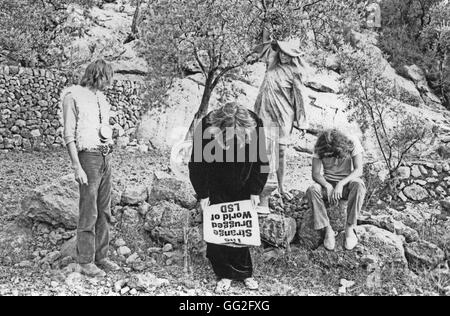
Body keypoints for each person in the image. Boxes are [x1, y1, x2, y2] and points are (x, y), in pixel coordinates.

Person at [189, 102, 269, 293]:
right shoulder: (206, 126)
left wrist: (255, 190)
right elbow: (196, 164)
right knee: (219, 228)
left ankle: (244, 272)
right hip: (216, 178)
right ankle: (224, 273)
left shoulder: (256, 123)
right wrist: (203, 194)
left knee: (240, 226)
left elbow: (263, 161)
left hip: (245, 177)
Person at [61, 59, 120, 277]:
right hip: (88, 157)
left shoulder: (101, 98)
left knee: (104, 209)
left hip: (105, 155)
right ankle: (85, 260)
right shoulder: (72, 96)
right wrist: (77, 167)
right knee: (89, 209)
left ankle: (101, 256)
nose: (110, 83)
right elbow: (68, 135)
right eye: (107, 78)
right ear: (97, 75)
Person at [254, 38, 309, 208]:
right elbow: (262, 47)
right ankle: (262, 185)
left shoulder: (295, 72)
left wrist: (302, 122)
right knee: (263, 150)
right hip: (264, 111)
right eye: (282, 52)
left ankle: (281, 185)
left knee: (281, 151)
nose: (284, 56)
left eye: (288, 53)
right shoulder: (271, 63)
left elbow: (300, 98)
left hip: (283, 115)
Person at [306, 129, 367, 251]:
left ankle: (349, 229)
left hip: (347, 184)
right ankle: (328, 229)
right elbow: (316, 174)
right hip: (327, 185)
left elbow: (359, 170)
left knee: (359, 185)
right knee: (312, 189)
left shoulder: (352, 141)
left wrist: (341, 183)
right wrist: (327, 185)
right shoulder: (320, 146)